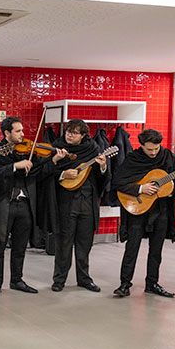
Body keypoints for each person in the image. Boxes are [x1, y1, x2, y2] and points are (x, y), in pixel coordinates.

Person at [113, 129, 175, 298]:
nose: (153, 153)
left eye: (156, 149)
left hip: (161, 209)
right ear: (141, 145)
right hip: (138, 209)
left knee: (156, 249)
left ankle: (152, 283)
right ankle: (124, 284)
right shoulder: (133, 159)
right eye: (149, 149)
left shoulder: (168, 157)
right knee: (132, 247)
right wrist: (140, 188)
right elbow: (118, 182)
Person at [0, 117, 64, 296]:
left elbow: (39, 172)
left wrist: (53, 160)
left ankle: (17, 280)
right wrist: (15, 166)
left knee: (20, 246)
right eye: (18, 131)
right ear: (7, 133)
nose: (23, 134)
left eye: (22, 130)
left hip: (25, 204)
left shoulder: (28, 151)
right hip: (3, 204)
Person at [46, 119, 107, 293]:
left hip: (87, 201)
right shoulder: (57, 148)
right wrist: (62, 174)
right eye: (68, 132)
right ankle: (59, 280)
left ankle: (84, 279)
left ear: (83, 135)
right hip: (66, 202)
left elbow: (101, 178)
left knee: (85, 243)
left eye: (74, 133)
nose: (69, 135)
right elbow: (45, 173)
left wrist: (103, 166)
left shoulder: (93, 148)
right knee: (63, 242)